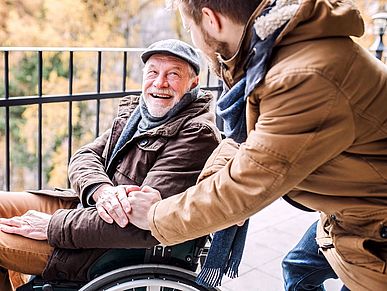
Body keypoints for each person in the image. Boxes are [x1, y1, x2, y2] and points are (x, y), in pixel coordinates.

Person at [124, 0, 387, 290]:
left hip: (373, 225)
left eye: (190, 28)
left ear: (212, 21)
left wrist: (155, 216)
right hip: (351, 205)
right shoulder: (275, 52)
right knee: (298, 269)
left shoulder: (302, 78)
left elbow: (245, 187)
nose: (195, 41)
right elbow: (243, 142)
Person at [0, 38, 221, 291]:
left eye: (173, 74)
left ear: (193, 83)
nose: (160, 83)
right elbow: (84, 156)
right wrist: (102, 191)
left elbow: (144, 226)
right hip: (85, 208)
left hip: (102, 246)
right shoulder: (138, 113)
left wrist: (52, 226)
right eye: (153, 72)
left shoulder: (196, 134)